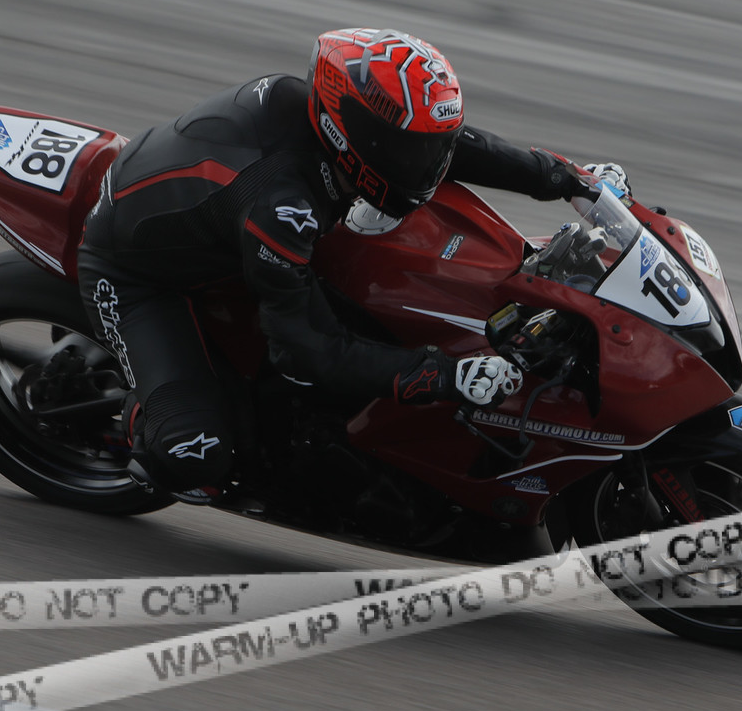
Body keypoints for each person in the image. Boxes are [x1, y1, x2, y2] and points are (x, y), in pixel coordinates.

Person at [78, 28, 628, 505]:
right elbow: (307, 350)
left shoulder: (343, 133)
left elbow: (455, 146)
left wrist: (566, 179)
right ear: (352, 133)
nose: (430, 164)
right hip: (136, 275)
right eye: (412, 151)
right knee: (198, 457)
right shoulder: (283, 208)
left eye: (429, 147)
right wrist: (444, 375)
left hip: (217, 229)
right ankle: (137, 421)